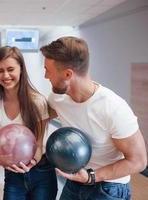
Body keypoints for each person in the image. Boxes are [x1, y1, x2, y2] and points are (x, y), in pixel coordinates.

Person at [40, 36, 147, 200]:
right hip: (75, 180)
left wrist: (92, 176)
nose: (46, 75)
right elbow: (37, 115)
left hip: (109, 187)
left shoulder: (113, 108)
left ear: (68, 74)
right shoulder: (57, 99)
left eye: (48, 69)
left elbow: (138, 161)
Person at [0, 46, 58, 200]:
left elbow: (38, 145)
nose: (6, 75)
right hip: (13, 174)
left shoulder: (37, 102)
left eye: (11, 69)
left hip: (41, 171)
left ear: (21, 69)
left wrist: (31, 162)